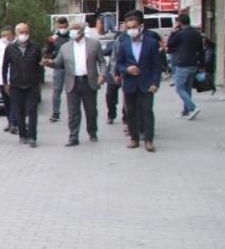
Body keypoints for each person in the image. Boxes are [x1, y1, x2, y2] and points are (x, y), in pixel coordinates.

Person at [50, 21, 106, 146]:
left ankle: (92, 132)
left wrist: (102, 75)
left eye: (76, 28)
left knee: (91, 110)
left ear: (82, 30)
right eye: (72, 29)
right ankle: (73, 136)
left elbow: (102, 61)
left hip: (89, 81)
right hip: (73, 82)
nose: (73, 31)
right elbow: (57, 63)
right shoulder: (65, 47)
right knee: (73, 112)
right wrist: (49, 62)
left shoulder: (94, 44)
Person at [115, 10, 163, 152]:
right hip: (130, 83)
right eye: (128, 28)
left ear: (141, 26)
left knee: (147, 111)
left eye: (134, 27)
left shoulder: (152, 43)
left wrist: (156, 83)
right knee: (131, 112)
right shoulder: (124, 43)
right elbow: (119, 63)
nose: (131, 31)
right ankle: (134, 138)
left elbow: (157, 65)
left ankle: (148, 140)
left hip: (147, 83)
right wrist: (126, 70)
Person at [2, 22, 44, 147]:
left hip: (32, 85)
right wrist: (5, 83)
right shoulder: (10, 48)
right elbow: (4, 67)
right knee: (19, 111)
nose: (24, 34)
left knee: (32, 111)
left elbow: (40, 66)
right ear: (16, 34)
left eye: (26, 32)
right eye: (21, 32)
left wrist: (40, 82)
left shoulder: (35, 47)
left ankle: (32, 136)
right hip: (16, 85)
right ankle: (23, 134)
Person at [166, 14, 204, 120]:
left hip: (182, 63)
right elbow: (201, 50)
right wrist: (202, 65)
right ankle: (186, 111)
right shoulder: (197, 33)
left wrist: (172, 33)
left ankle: (192, 107)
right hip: (193, 63)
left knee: (179, 88)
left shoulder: (180, 34)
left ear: (180, 23)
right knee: (187, 89)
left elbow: (170, 45)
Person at [43, 16, 71, 122]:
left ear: (67, 25)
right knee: (57, 91)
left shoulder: (72, 37)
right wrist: (50, 57)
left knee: (71, 91)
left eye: (64, 26)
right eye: (60, 26)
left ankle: (72, 112)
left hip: (70, 68)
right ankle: (55, 113)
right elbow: (47, 52)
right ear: (57, 26)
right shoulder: (53, 38)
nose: (63, 28)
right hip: (58, 67)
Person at [0, 27, 18, 134]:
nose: (5, 38)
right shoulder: (0, 46)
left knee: (14, 101)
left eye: (7, 35)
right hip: (2, 79)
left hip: (14, 79)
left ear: (13, 35)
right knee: (7, 103)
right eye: (3, 36)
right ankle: (10, 122)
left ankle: (14, 123)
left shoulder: (17, 46)